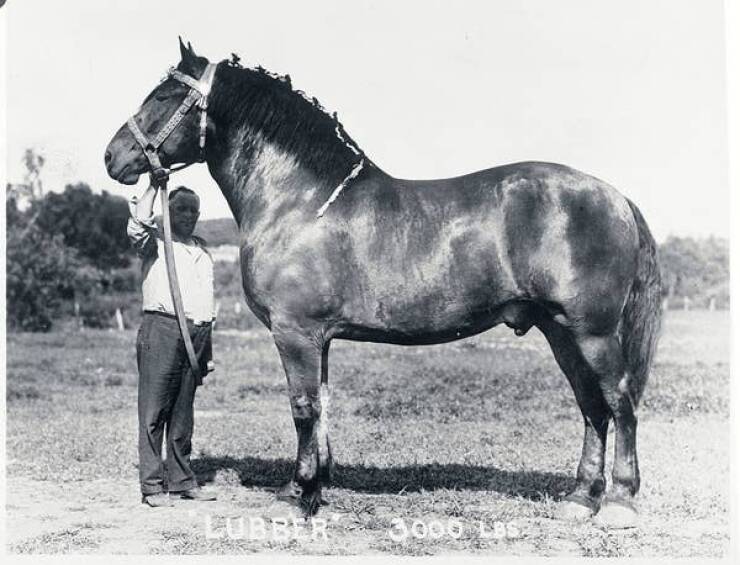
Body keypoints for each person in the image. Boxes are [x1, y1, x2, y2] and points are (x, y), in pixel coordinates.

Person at [127, 178, 217, 507]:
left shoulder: (202, 249)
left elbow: (206, 302)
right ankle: (151, 486)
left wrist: (206, 350)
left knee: (182, 414)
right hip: (162, 329)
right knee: (154, 411)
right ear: (167, 211)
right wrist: (153, 186)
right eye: (181, 209)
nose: (188, 215)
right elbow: (138, 222)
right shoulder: (155, 242)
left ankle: (181, 481)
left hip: (197, 334)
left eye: (194, 210)